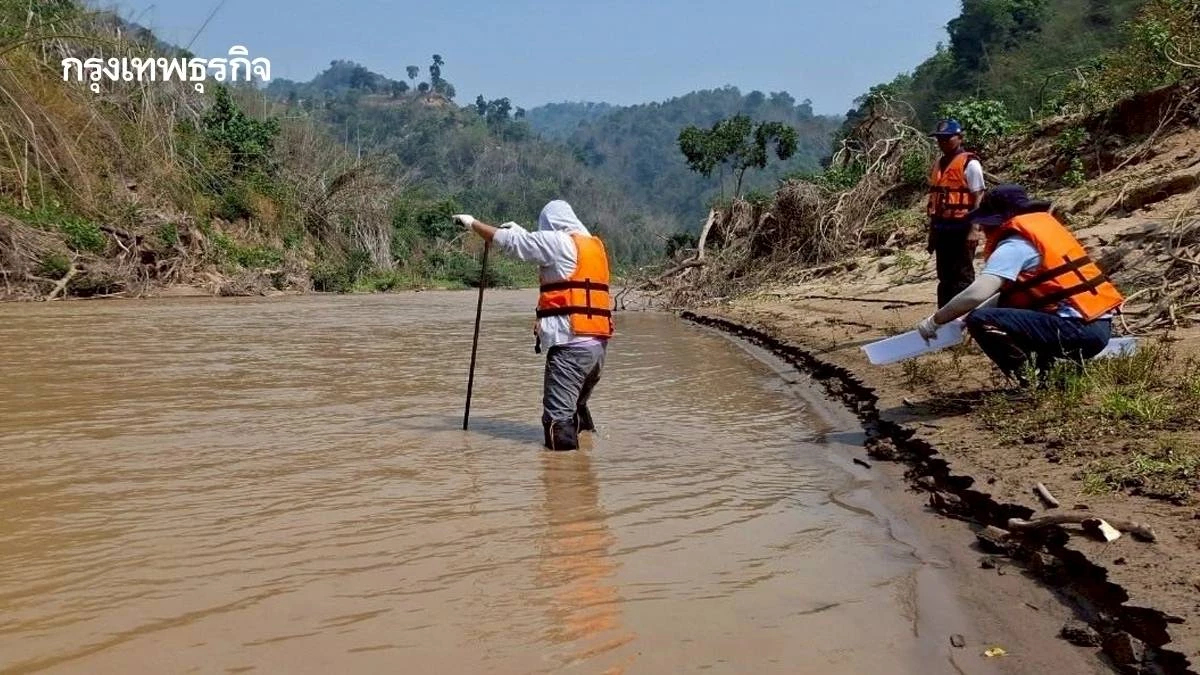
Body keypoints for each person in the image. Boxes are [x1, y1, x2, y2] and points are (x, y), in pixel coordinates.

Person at [915, 184, 1124, 386]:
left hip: (1077, 331)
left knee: (981, 320)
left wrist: (936, 320)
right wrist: (961, 318)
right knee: (1003, 305)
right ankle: (1050, 371)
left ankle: (1034, 380)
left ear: (999, 220)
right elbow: (1006, 297)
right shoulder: (1044, 232)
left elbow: (977, 293)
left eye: (987, 222)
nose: (983, 228)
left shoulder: (1014, 245)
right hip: (1097, 327)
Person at [453, 200, 614, 451]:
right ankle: (589, 461)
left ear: (551, 224)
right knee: (576, 407)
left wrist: (473, 223)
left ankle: (565, 476)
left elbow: (514, 244)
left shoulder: (559, 243)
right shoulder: (593, 246)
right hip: (596, 349)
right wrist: (520, 231)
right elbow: (532, 242)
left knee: (558, 421)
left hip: (570, 347)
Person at [927, 119, 987, 308]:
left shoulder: (970, 164)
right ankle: (944, 318)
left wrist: (974, 228)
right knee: (945, 276)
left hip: (962, 227)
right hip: (942, 227)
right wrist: (932, 232)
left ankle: (964, 318)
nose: (943, 143)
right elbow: (935, 200)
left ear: (959, 138)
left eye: (947, 138)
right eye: (939, 139)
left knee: (963, 275)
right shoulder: (939, 163)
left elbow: (979, 195)